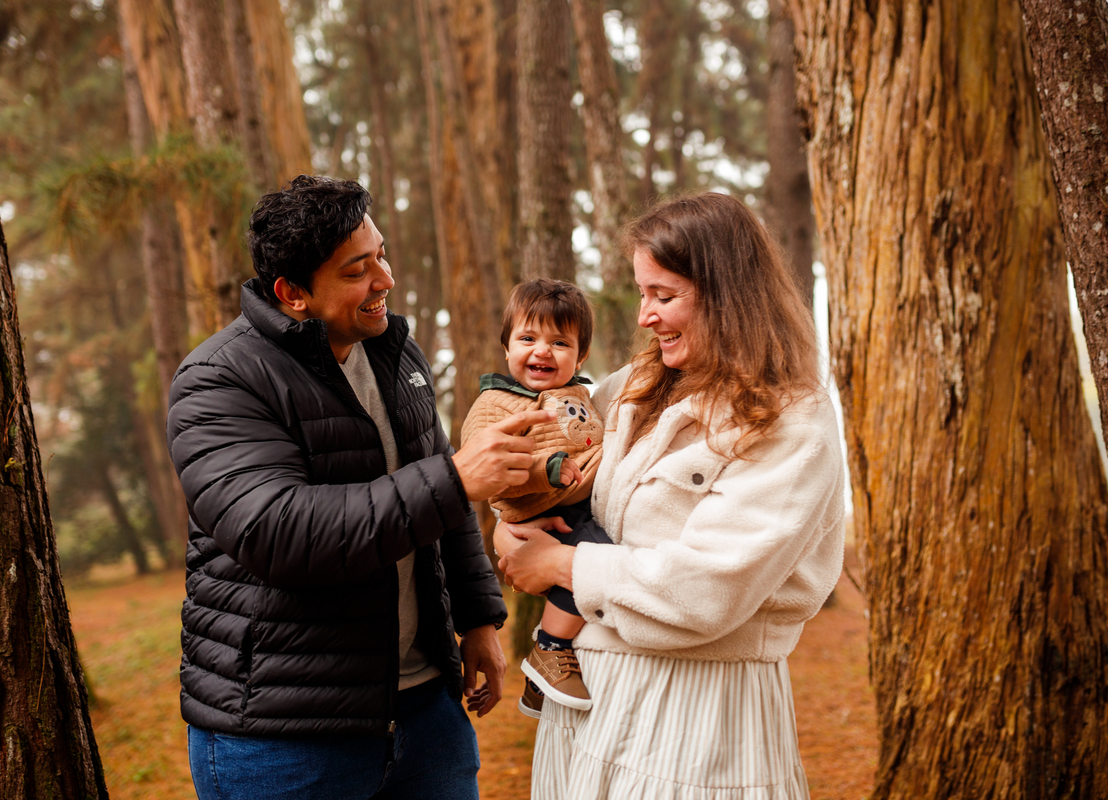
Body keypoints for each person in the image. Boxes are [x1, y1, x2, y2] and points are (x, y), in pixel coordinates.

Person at [167, 175, 557, 800]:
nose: (385, 280)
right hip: (284, 736)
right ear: (292, 293)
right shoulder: (219, 379)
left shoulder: (394, 352)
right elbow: (277, 533)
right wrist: (455, 477)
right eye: (357, 270)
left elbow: (447, 500)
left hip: (426, 715)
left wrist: (479, 619)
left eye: (381, 255)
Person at [496, 191, 846, 799]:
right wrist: (513, 521)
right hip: (586, 702)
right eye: (642, 294)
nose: (645, 317)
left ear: (727, 295)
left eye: (663, 296)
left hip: (700, 716)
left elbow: (710, 587)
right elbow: (544, 452)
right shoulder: (635, 385)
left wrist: (559, 565)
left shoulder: (791, 420)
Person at [460, 279, 614, 719]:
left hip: (578, 504)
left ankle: (536, 684)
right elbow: (489, 470)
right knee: (594, 561)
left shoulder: (581, 394)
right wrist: (544, 469)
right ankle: (550, 646)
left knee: (594, 565)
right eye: (528, 338)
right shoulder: (496, 403)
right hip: (544, 510)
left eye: (560, 342)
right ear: (507, 347)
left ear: (581, 356)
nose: (542, 351)